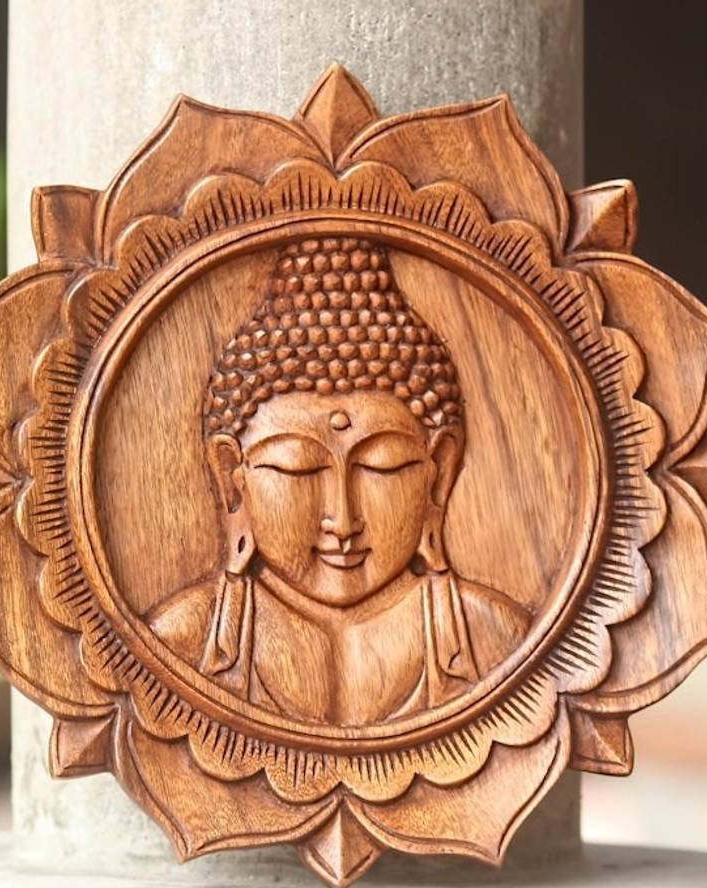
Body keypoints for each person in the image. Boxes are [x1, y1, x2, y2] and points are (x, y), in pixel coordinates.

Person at [150, 238, 530, 725]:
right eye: (298, 469)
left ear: (440, 472)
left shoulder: (494, 637)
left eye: (382, 467)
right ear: (232, 478)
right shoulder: (181, 641)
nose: (343, 522)